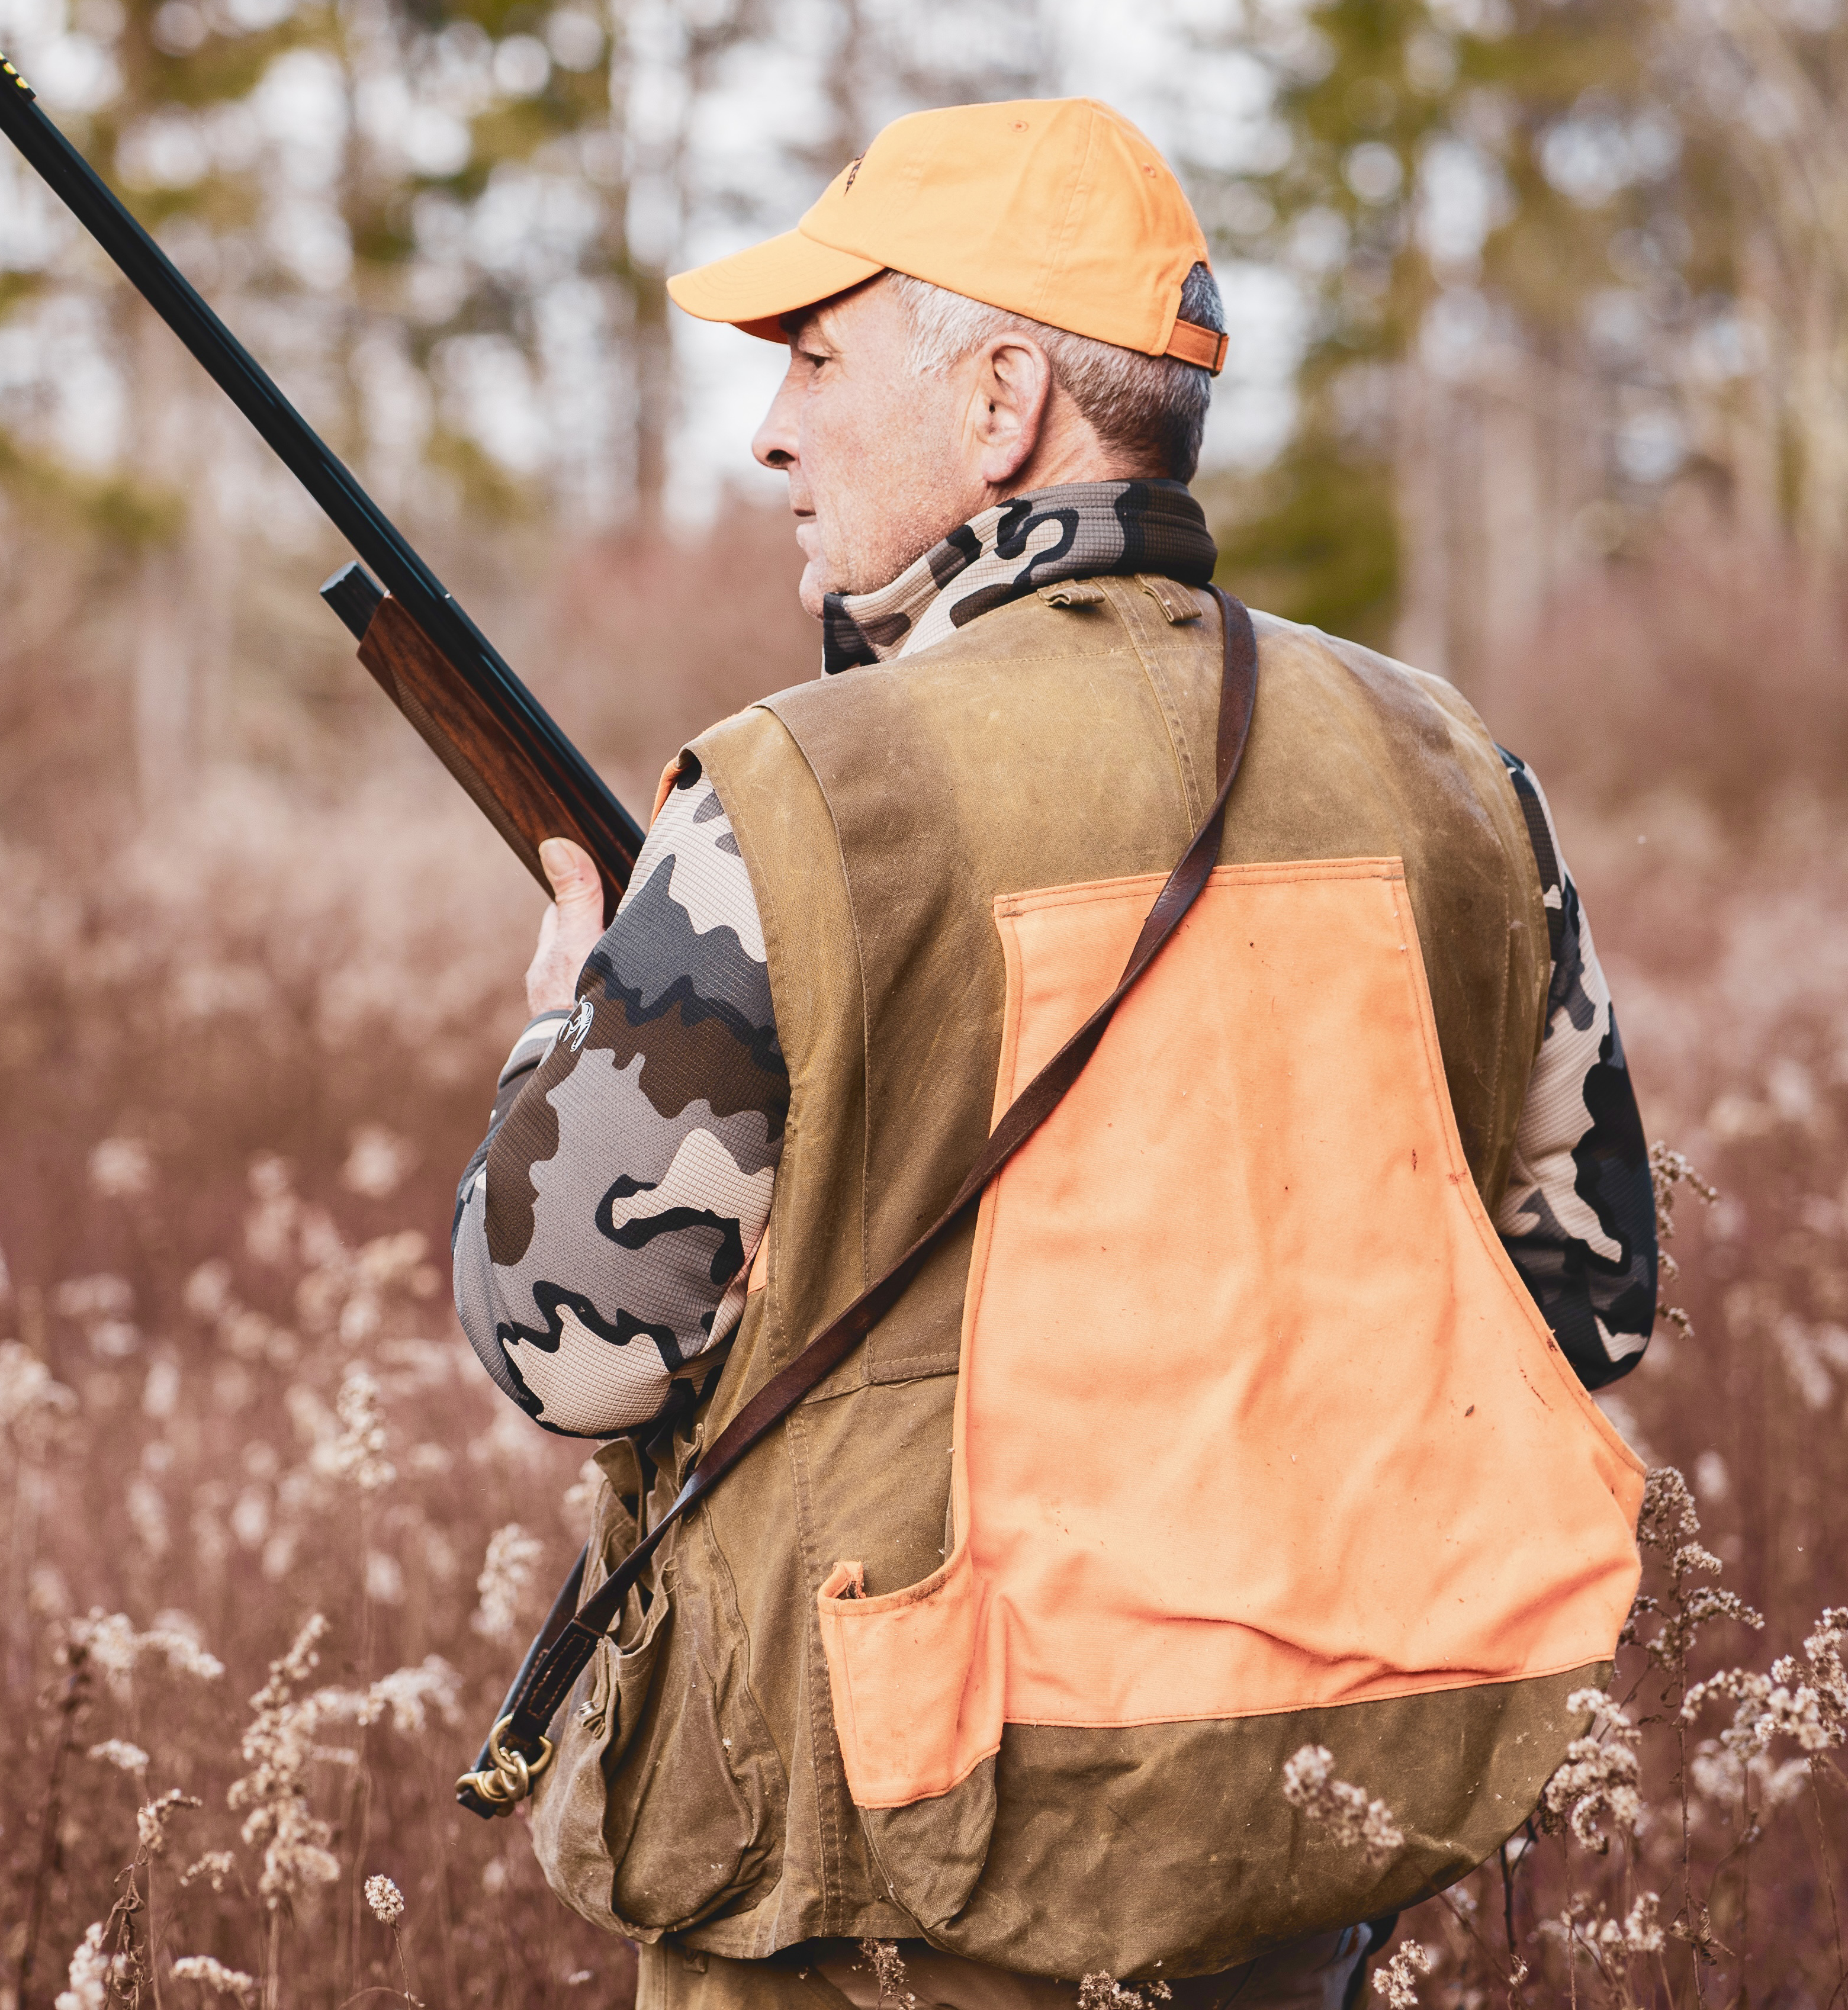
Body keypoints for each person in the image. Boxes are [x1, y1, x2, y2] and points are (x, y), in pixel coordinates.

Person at [450, 101, 1660, 2007]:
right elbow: (1579, 1301)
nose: (770, 429)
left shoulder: (793, 797)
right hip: (1308, 1845)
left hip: (893, 1886)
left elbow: (569, 1346)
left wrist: (555, 1020)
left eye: (820, 361)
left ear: (1003, 397)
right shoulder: (1450, 769)